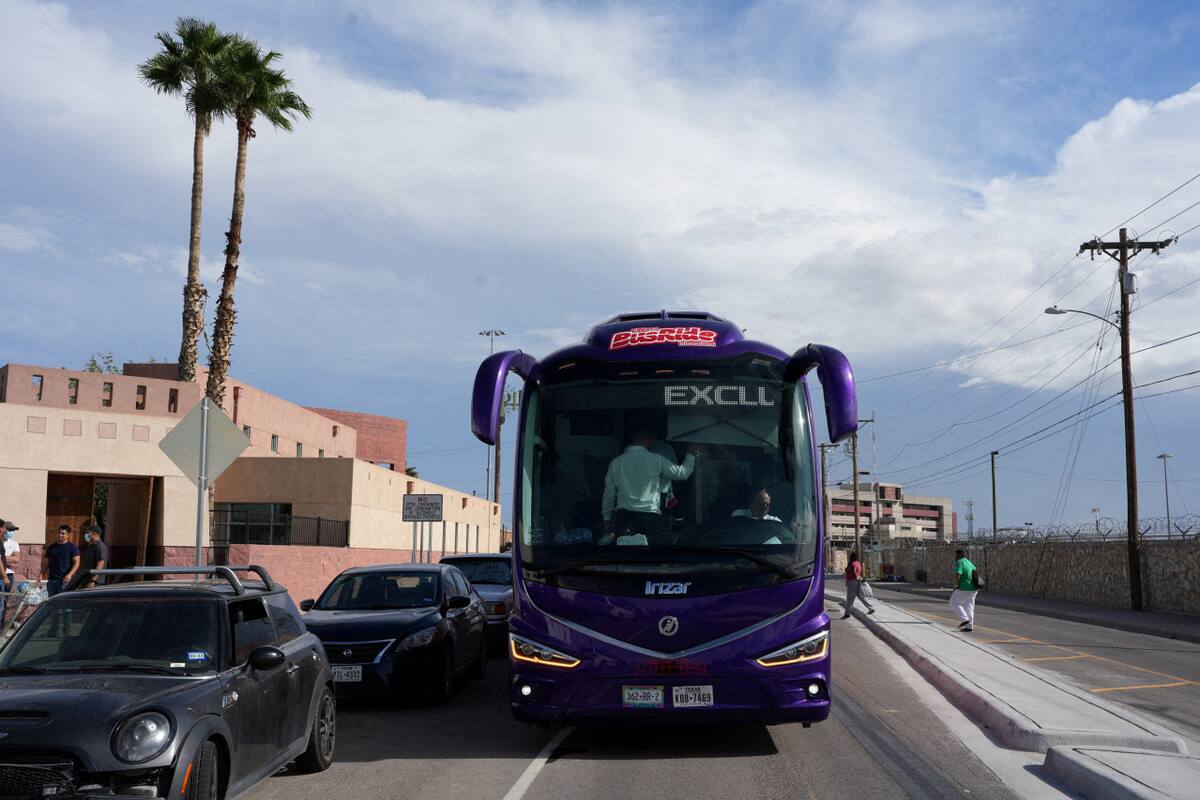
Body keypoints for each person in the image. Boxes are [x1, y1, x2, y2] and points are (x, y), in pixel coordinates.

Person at [601, 430, 701, 544]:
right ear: (648, 441)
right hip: (649, 519)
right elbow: (682, 474)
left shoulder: (616, 463)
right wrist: (690, 454)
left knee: (624, 548)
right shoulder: (656, 460)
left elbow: (609, 494)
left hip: (624, 518)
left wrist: (607, 519)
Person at [41, 525, 80, 596]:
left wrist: (70, 575)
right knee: (52, 600)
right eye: (59, 533)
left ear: (68, 535)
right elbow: (46, 563)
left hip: (65, 581)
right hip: (52, 580)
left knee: (64, 600)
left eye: (63, 533)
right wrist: (41, 574)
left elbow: (77, 563)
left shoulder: (72, 548)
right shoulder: (51, 547)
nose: (60, 535)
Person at [950, 549, 978, 632]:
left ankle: (965, 620)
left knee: (953, 603)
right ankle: (969, 626)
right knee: (969, 607)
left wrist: (956, 585)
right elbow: (975, 572)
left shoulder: (960, 562)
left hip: (964, 587)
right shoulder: (969, 562)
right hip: (974, 588)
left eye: (956, 555)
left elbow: (958, 574)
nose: (955, 557)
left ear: (959, 555)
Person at [73, 524, 108, 590]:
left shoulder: (100, 546)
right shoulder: (91, 546)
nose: (86, 535)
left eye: (88, 532)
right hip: (86, 580)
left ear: (94, 533)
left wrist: (93, 580)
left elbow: (100, 563)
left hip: (95, 583)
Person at [841, 550, 875, 618]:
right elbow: (857, 572)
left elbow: (853, 571)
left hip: (852, 582)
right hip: (857, 581)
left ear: (851, 557)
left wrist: (855, 576)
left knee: (850, 598)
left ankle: (847, 613)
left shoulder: (853, 564)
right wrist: (858, 577)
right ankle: (871, 608)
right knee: (861, 596)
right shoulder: (858, 563)